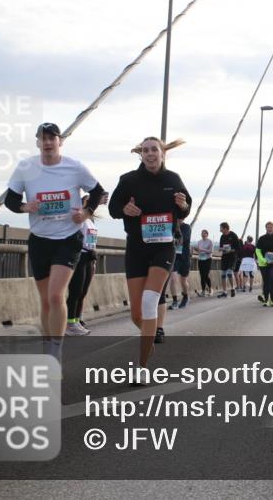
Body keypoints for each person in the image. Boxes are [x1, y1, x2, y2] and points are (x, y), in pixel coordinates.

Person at [5, 122, 105, 363]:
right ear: (38, 142)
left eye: (53, 138)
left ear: (60, 141)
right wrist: (24, 207)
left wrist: (86, 212)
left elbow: (99, 191)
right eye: (43, 138)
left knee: (55, 296)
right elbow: (10, 199)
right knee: (45, 300)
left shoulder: (75, 167)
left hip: (68, 238)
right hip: (40, 239)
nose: (48, 142)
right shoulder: (26, 167)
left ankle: (55, 351)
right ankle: (47, 345)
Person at [108, 136, 191, 371]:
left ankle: (142, 366)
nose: (150, 153)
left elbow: (186, 206)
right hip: (136, 247)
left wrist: (183, 205)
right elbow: (114, 208)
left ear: (163, 153)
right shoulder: (128, 180)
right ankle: (148, 337)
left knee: (149, 301)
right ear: (141, 155)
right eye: (145, 150)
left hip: (164, 247)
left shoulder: (172, 179)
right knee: (136, 313)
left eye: (154, 149)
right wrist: (125, 209)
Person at [65, 194, 100, 336]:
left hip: (89, 257)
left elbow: (91, 240)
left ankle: (76, 320)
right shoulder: (78, 217)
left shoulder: (90, 221)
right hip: (79, 256)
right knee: (75, 291)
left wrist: (94, 257)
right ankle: (69, 322)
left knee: (83, 292)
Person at [218, 222, 241, 298]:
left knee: (229, 273)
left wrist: (231, 250)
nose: (220, 230)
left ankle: (232, 288)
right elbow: (220, 247)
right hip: (224, 257)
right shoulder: (222, 236)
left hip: (232, 257)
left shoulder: (233, 235)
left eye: (221, 228)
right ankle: (224, 291)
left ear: (225, 228)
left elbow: (238, 248)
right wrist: (221, 249)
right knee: (223, 274)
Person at [194, 229, 215, 296]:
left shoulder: (210, 241)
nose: (202, 234)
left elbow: (211, 251)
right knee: (202, 275)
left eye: (204, 233)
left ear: (207, 234)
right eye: (202, 233)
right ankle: (203, 291)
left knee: (206, 275)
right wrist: (197, 250)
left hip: (208, 259)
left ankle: (210, 289)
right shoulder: (199, 241)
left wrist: (202, 250)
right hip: (200, 259)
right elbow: (199, 251)